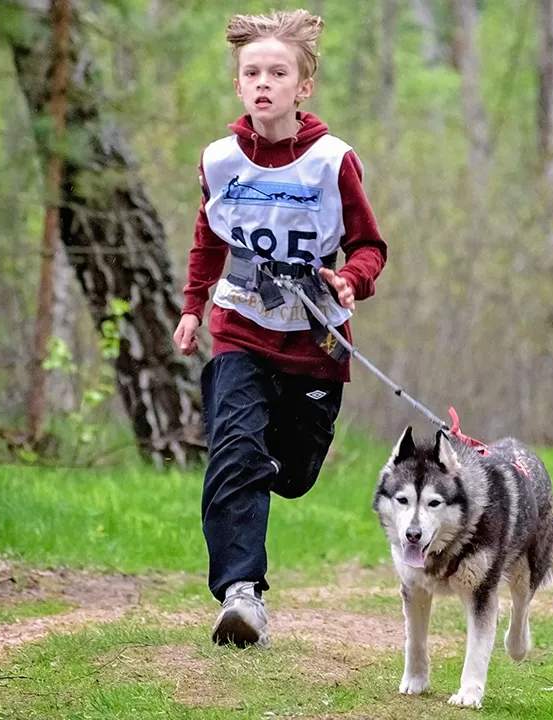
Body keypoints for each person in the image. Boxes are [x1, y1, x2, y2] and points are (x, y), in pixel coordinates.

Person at [172, 9, 388, 649]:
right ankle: (241, 596)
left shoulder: (332, 161)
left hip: (317, 341)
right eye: (252, 72)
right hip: (240, 328)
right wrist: (192, 305)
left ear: (303, 86)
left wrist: (351, 277)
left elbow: (370, 245)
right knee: (234, 450)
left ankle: (255, 472)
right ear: (239, 85)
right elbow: (207, 239)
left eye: (278, 72)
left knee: (291, 474)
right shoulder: (218, 161)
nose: (263, 82)